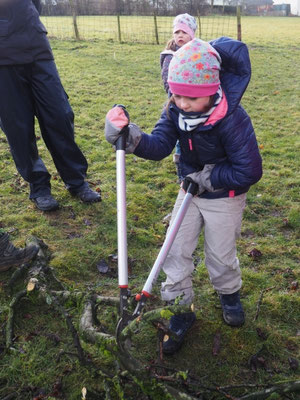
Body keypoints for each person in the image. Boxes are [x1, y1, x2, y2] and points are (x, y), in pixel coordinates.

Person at [105, 37, 263, 355]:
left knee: (219, 255)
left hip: (225, 196)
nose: (182, 103)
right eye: (176, 95)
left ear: (211, 90)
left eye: (190, 98)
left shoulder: (231, 119)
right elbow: (161, 144)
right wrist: (131, 138)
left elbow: (249, 170)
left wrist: (210, 176)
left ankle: (228, 293)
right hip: (190, 190)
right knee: (174, 250)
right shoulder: (176, 110)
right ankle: (179, 307)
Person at [0, 0, 101, 212]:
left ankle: (76, 180)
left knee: (60, 116)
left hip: (36, 47)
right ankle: (39, 187)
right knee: (18, 127)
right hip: (3, 58)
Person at [160, 13, 197, 182]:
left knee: (193, 129)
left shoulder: (198, 52)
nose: (180, 35)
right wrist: (178, 95)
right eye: (177, 32)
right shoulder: (170, 55)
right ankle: (180, 158)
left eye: (184, 32)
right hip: (177, 101)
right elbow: (167, 80)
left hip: (196, 100)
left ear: (193, 34)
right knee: (180, 129)